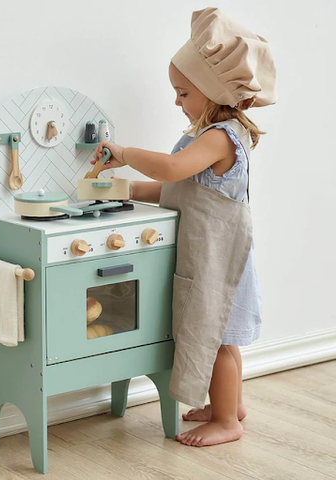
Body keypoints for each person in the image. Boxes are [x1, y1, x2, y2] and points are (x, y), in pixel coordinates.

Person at [91, 7, 276, 447]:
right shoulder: (211, 136)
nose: (177, 101)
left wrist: (128, 151)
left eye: (182, 92)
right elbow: (179, 190)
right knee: (221, 338)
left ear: (211, 92)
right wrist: (125, 188)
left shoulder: (220, 137)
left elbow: (173, 170)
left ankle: (228, 420)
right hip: (216, 253)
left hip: (221, 260)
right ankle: (227, 404)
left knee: (217, 337)